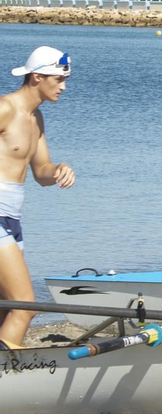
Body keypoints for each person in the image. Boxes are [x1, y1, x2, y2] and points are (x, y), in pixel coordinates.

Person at [0, 47, 77, 350]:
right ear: (37, 77)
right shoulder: (6, 108)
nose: (63, 86)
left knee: (6, 306)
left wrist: (59, 169)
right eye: (58, 79)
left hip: (12, 218)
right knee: (25, 305)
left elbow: (41, 173)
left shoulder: (36, 119)